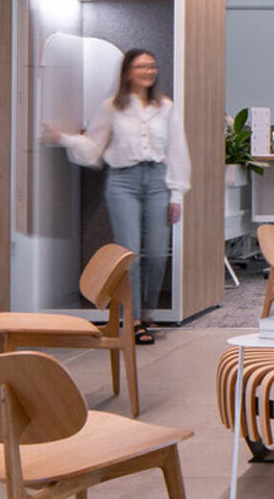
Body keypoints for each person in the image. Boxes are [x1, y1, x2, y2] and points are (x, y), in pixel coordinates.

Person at [46, 48, 191, 345]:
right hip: (123, 181)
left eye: (151, 66)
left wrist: (176, 193)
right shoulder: (111, 107)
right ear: (127, 72)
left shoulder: (165, 106)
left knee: (156, 252)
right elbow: (93, 145)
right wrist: (65, 139)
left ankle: (147, 312)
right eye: (141, 67)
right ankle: (133, 320)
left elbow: (178, 149)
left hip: (157, 180)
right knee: (131, 253)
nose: (148, 71)